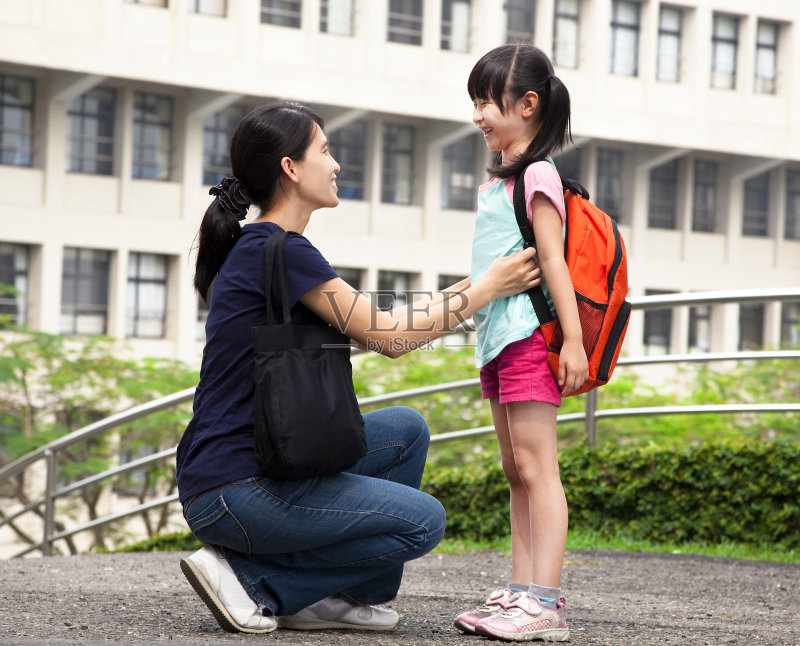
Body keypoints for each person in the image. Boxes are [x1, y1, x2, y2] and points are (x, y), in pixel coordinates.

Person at [176, 102, 543, 635]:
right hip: (236, 488)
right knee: (423, 521)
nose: (336, 164)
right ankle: (254, 582)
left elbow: (383, 321)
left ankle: (340, 597)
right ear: (290, 168)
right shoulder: (278, 250)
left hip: (239, 475)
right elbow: (390, 338)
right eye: (324, 151)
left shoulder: (271, 249)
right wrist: (488, 289)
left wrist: (481, 281)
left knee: (404, 432)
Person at [452, 45, 589, 642]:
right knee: (515, 469)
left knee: (538, 468)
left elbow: (553, 261)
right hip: (497, 342)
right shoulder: (499, 179)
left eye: (488, 101)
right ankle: (519, 590)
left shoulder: (538, 173)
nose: (479, 114)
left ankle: (545, 603)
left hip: (530, 340)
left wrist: (574, 343)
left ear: (527, 105)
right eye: (475, 102)